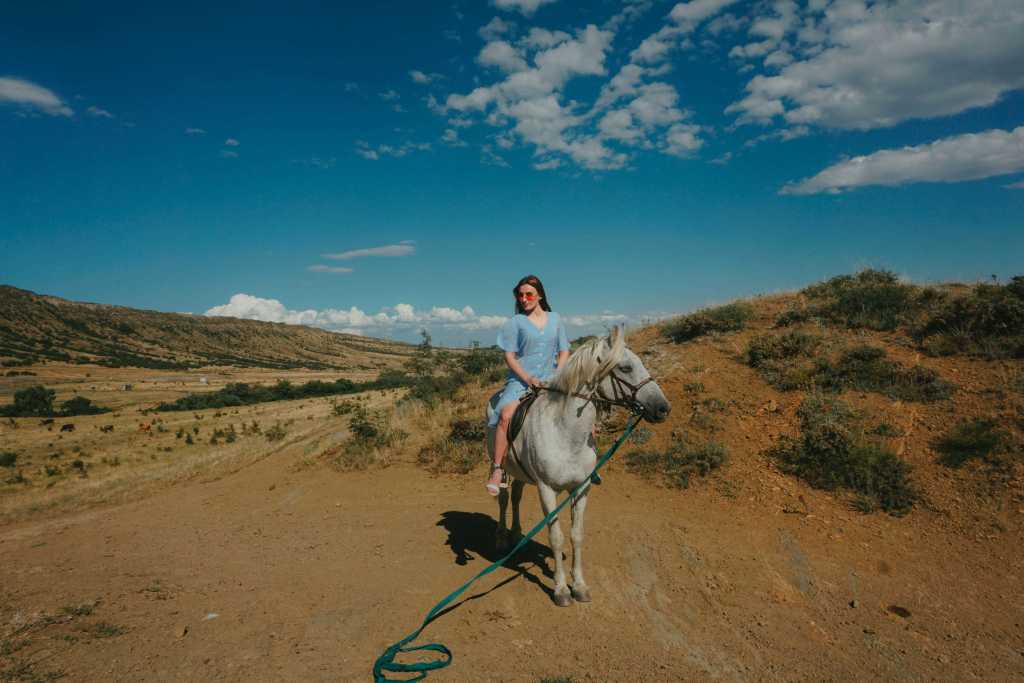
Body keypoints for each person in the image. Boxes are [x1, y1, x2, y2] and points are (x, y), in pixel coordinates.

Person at [486, 274, 570, 495]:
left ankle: (584, 464)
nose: (524, 299)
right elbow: (510, 357)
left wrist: (558, 374)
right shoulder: (514, 323)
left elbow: (564, 351)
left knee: (583, 409)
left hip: (552, 379)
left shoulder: (556, 319)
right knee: (505, 416)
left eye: (529, 294)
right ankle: (498, 469)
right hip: (522, 382)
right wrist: (529, 379)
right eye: (520, 295)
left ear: (540, 295)